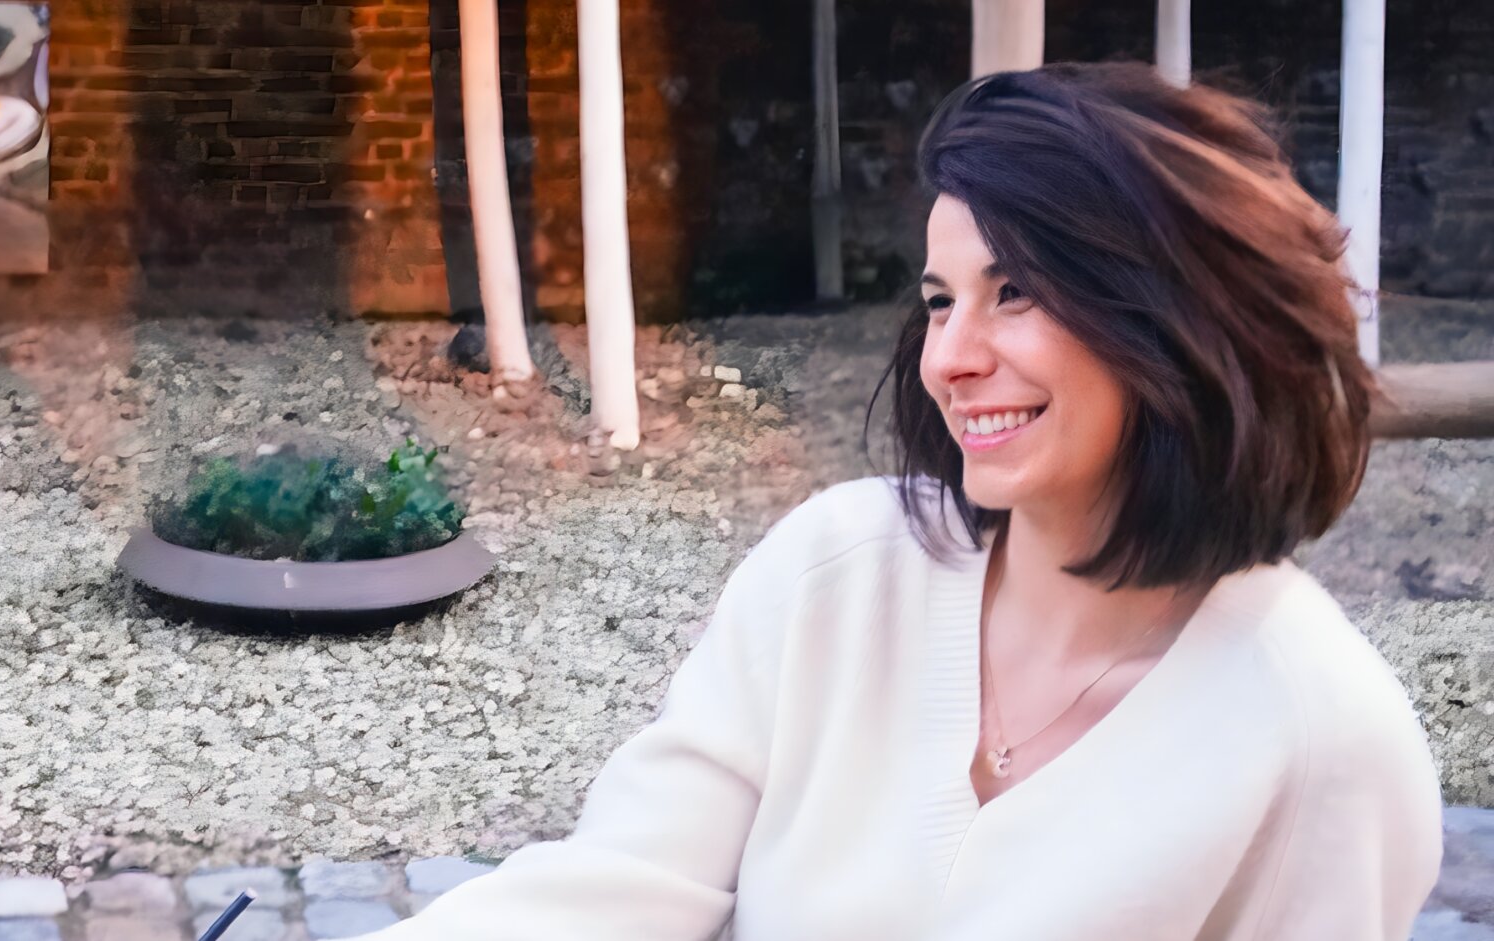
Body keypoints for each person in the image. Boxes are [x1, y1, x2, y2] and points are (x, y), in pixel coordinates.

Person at [343, 60, 1443, 941]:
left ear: (1179, 316)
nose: (949, 356)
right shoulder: (839, 569)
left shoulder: (1323, 738)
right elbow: (616, 889)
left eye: (1015, 291)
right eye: (938, 300)